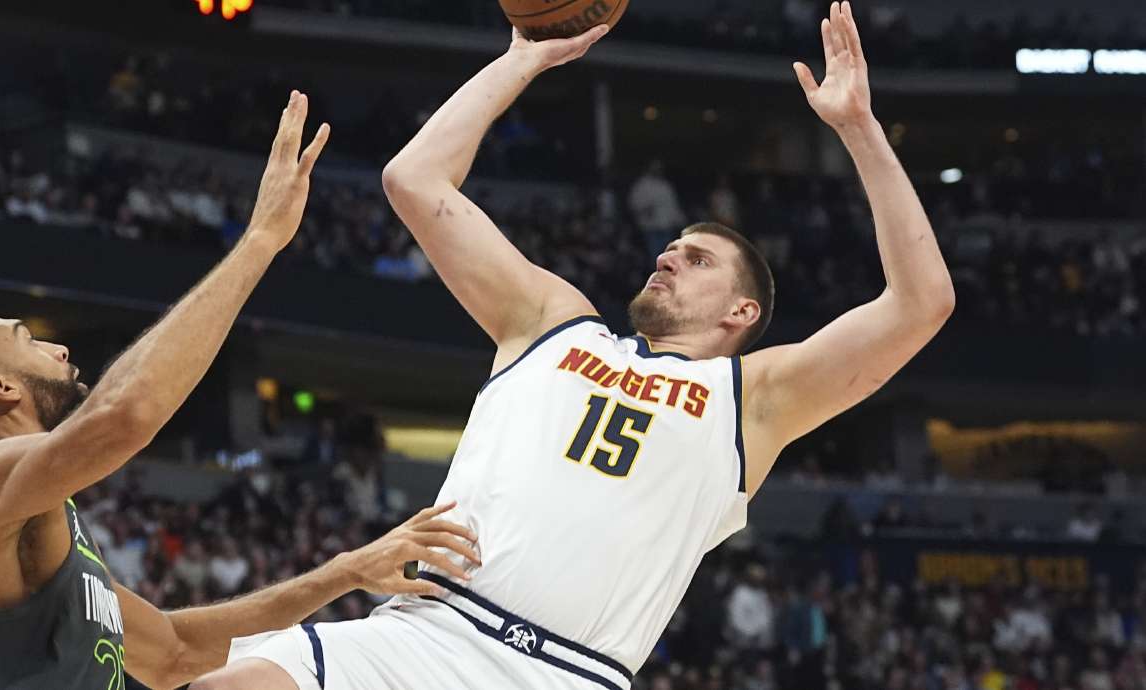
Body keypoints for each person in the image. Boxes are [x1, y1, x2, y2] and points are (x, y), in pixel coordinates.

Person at [200, 3, 953, 689]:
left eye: (696, 260)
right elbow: (415, 179)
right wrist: (523, 57)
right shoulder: (554, 321)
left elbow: (921, 304)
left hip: (563, 673)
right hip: (423, 633)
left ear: (742, 310)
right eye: (669, 247)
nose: (666, 257)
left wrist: (859, 128)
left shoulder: (754, 400)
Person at [0, 91, 478, 690]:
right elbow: (122, 415)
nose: (58, 349)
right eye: (27, 338)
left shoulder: (49, 525)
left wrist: (347, 570)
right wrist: (260, 240)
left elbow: (177, 653)